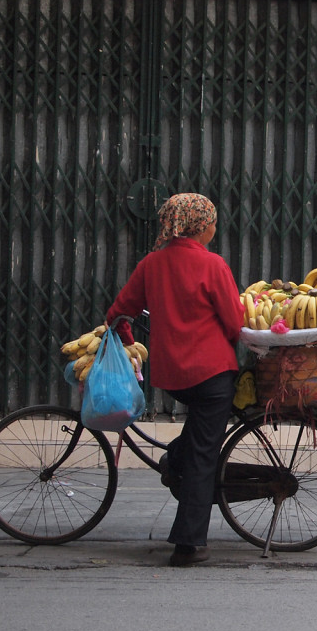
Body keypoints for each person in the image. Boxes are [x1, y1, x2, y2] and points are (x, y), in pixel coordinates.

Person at [106, 193, 244, 566]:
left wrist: (131, 344)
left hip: (172, 376)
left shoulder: (152, 264)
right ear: (201, 225)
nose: (216, 227)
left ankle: (175, 458)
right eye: (213, 221)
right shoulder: (213, 265)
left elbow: (119, 313)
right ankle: (188, 544)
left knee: (197, 439)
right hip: (213, 374)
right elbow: (235, 323)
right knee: (203, 456)